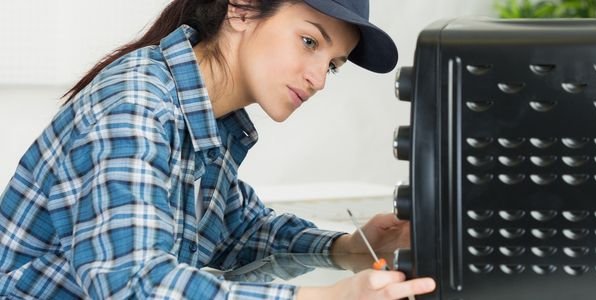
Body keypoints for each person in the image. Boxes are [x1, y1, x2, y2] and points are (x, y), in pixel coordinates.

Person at [0, 0, 436, 299]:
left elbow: (239, 231)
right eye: (309, 42)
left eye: (333, 65)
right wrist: (323, 297)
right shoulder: (137, 105)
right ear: (242, 8)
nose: (318, 78)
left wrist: (351, 248)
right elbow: (132, 285)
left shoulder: (209, 119)